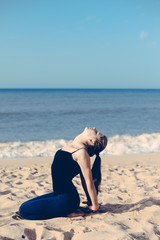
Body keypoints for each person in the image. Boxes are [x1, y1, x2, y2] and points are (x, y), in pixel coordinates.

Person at [19, 127, 108, 220]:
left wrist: (94, 205)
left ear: (92, 141)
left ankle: (66, 212)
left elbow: (88, 182)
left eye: (96, 132)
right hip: (58, 194)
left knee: (23, 211)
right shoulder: (73, 145)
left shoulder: (81, 153)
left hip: (67, 200)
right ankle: (65, 211)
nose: (94, 128)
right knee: (24, 206)